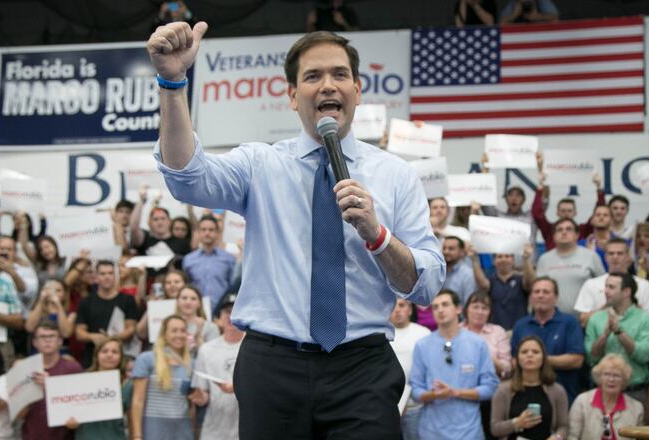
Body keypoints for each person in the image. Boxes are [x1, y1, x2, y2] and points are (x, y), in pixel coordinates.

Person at [147, 22, 445, 439]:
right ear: (291, 96)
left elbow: (426, 285)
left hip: (362, 370)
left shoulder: (396, 175)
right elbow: (186, 175)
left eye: (340, 75)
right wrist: (173, 84)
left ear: (357, 90)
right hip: (273, 367)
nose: (328, 85)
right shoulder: (261, 164)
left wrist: (377, 236)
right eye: (313, 76)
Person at [410, 290, 499, 440]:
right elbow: (415, 390)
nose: (440, 310)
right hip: (432, 432)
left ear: (458, 309)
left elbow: (490, 387)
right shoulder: (422, 345)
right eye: (435, 307)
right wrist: (433, 395)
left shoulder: (477, 344)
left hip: (468, 432)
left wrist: (455, 392)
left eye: (445, 304)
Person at [511, 277, 584, 403]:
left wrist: (539, 360)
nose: (540, 295)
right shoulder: (520, 325)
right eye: (536, 292)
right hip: (526, 396)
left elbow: (576, 360)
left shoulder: (570, 322)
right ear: (530, 297)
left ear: (556, 297)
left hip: (563, 396)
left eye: (546, 292)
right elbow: (513, 361)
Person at [584, 272, 649, 405]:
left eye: (611, 287)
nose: (606, 291)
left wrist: (619, 331)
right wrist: (605, 335)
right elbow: (591, 357)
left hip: (634, 392)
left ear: (626, 292)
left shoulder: (646, 320)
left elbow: (644, 356)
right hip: (601, 393)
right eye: (606, 286)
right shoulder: (596, 318)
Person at [490, 335, 569, 440]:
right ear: (517, 359)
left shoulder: (557, 391)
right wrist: (517, 423)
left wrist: (557, 437)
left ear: (543, 358)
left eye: (535, 352)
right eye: (524, 352)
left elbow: (563, 427)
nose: (529, 355)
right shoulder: (503, 390)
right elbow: (495, 429)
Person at [189, 294, 244, 440]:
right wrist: (200, 397)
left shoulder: (253, 348)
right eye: (226, 312)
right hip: (214, 430)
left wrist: (238, 388)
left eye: (235, 311)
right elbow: (203, 393)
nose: (230, 316)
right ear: (219, 318)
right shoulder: (206, 350)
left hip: (247, 427)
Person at [131, 315, 194, 440]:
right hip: (154, 428)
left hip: (182, 429)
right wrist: (137, 435)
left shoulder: (191, 364)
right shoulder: (147, 359)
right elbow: (138, 401)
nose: (179, 335)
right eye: (174, 330)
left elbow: (191, 405)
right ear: (164, 334)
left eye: (183, 331)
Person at [18, 320, 83, 440]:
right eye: (42, 337)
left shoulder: (72, 368)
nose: (47, 340)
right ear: (35, 342)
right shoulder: (24, 369)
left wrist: (51, 386)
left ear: (60, 341)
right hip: (31, 435)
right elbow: (19, 415)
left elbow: (80, 407)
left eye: (52, 336)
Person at [574, 238, 649, 326]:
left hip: (635, 337)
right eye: (611, 253)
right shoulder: (591, 284)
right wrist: (606, 307)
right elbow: (583, 322)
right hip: (600, 337)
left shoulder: (644, 285)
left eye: (620, 253)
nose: (615, 257)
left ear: (628, 257)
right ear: (606, 257)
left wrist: (634, 310)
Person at [75, 261, 138, 367]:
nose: (107, 277)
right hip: (92, 357)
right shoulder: (86, 302)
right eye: (102, 274)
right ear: (96, 276)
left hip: (120, 355)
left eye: (110, 273)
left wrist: (112, 339)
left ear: (115, 275)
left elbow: (131, 328)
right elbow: (79, 332)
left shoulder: (127, 300)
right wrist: (94, 337)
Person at [536, 218, 606, 316]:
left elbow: (603, 287)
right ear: (554, 236)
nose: (564, 232)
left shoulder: (591, 256)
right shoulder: (544, 259)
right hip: (552, 320)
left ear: (577, 235)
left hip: (585, 319)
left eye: (568, 229)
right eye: (559, 230)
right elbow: (538, 290)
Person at [567, 354, 644, 440]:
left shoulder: (637, 408)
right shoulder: (582, 401)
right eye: (606, 374)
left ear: (624, 380)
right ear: (599, 377)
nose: (611, 380)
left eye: (616, 375)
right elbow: (572, 436)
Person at [532, 165, 605, 251]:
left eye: (569, 211)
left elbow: (599, 211)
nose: (566, 213)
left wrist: (599, 187)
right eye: (563, 211)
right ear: (557, 213)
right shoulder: (549, 230)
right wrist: (540, 186)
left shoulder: (583, 230)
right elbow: (537, 214)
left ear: (575, 213)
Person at [72, 337, 132, 440]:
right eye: (104, 351)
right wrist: (71, 423)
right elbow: (71, 414)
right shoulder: (82, 380)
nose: (109, 355)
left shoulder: (128, 385)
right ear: (96, 355)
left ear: (121, 357)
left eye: (115, 352)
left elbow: (132, 421)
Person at [389, 298, 431, 440]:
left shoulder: (423, 333)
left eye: (402, 305)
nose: (397, 309)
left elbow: (430, 368)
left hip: (416, 405)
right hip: (387, 405)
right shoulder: (380, 333)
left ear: (410, 310)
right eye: (393, 305)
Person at [470, 243, 535, 330]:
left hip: (519, 331)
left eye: (507, 256)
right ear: (494, 261)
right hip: (494, 332)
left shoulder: (521, 280)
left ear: (513, 260)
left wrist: (526, 259)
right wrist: (474, 260)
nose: (503, 259)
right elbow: (482, 284)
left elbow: (530, 283)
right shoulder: (490, 281)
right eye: (499, 257)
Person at [182, 215, 236, 308]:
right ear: (198, 232)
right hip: (197, 310)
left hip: (222, 310)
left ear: (217, 233)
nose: (207, 233)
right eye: (203, 230)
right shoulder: (188, 260)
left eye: (211, 230)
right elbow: (187, 287)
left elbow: (232, 287)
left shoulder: (229, 259)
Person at [462, 292, 512, 380]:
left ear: (490, 312)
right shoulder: (457, 330)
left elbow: (507, 369)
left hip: (491, 381)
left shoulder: (498, 332)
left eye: (484, 308)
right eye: (475, 307)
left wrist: (491, 359)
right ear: (466, 309)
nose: (480, 312)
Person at [136, 269, 188, 341]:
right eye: (168, 283)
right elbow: (141, 333)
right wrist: (152, 306)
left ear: (185, 284)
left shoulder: (191, 303)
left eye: (177, 282)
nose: (172, 285)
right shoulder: (158, 304)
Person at [175, 285, 220, 357]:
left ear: (199, 303)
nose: (188, 302)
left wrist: (198, 337)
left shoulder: (210, 327)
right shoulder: (169, 326)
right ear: (177, 302)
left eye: (193, 299)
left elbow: (213, 356)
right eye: (184, 298)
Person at [442, 236, 478, 305]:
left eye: (451, 249)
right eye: (444, 248)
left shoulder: (468, 275)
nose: (446, 251)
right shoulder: (439, 272)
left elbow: (468, 304)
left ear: (461, 252)